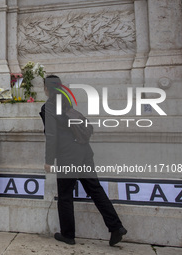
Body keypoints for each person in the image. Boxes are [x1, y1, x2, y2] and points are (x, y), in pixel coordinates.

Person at [39, 75, 127, 246]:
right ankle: (116, 227)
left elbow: (51, 135)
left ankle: (68, 235)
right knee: (95, 189)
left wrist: (49, 160)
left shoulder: (49, 106)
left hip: (67, 155)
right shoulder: (66, 103)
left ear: (47, 89)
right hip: (84, 151)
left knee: (65, 195)